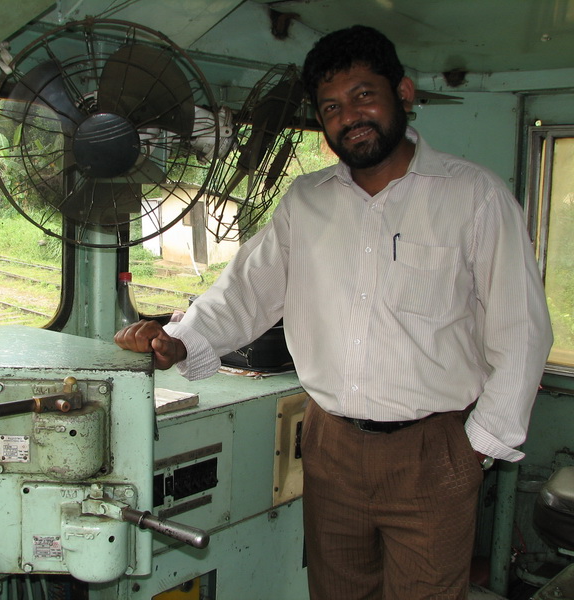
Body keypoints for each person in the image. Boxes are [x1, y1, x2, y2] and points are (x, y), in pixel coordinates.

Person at [114, 25, 553, 600]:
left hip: (433, 451)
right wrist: (177, 338)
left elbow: (521, 331)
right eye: (332, 107)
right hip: (331, 445)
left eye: (364, 95)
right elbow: (245, 292)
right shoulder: (306, 201)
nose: (350, 116)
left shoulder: (474, 197)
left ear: (404, 93)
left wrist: (477, 446)